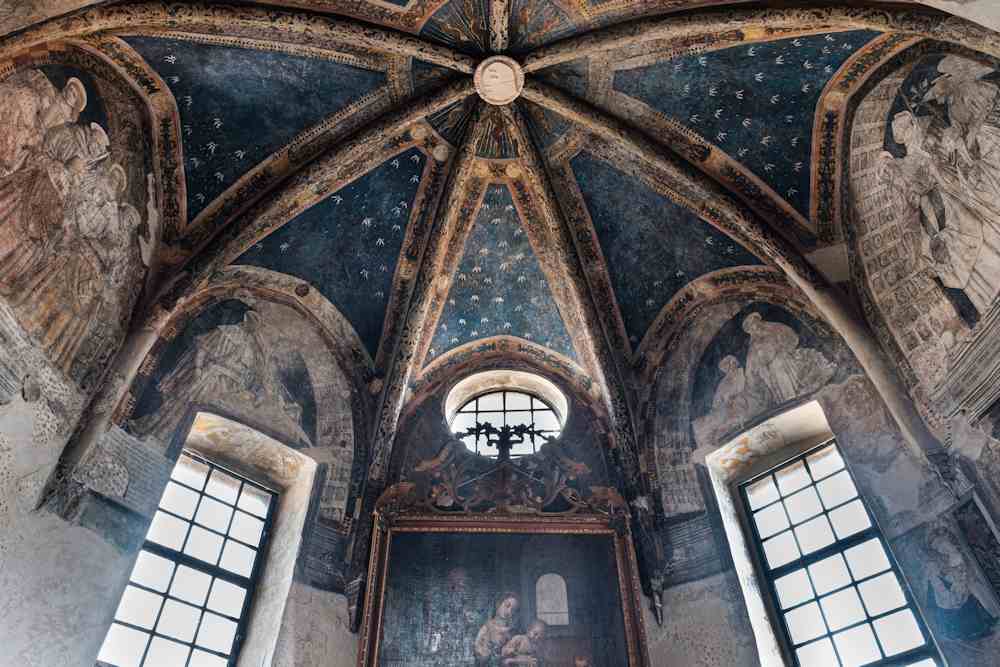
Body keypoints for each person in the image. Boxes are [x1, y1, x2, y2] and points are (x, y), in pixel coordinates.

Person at [475, 593, 520, 664]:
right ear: (498, 604)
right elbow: (477, 645)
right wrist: (482, 651)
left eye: (513, 610)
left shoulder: (512, 631)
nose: (509, 611)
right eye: (507, 605)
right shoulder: (487, 626)